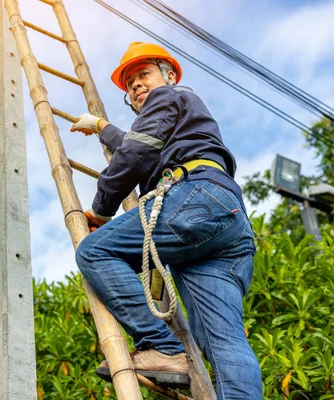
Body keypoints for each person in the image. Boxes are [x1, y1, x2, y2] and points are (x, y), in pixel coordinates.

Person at [70, 42, 262, 399]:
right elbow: (140, 143)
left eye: (143, 74)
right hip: (225, 221)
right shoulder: (179, 116)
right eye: (130, 84)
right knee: (223, 344)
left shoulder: (169, 97)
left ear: (169, 76)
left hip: (194, 201)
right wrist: (100, 126)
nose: (136, 85)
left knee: (94, 251)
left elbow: (135, 152)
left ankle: (163, 348)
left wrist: (100, 210)